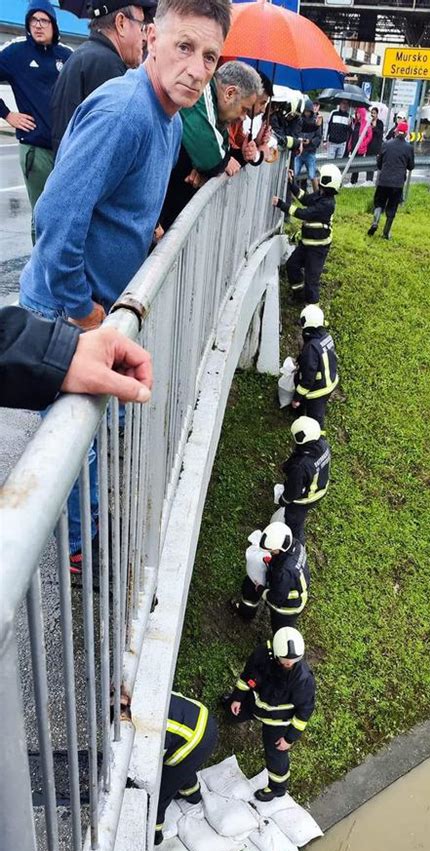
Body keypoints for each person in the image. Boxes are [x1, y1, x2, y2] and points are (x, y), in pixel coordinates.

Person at [19, 0, 231, 575]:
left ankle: (82, 533)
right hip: (68, 309)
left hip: (96, 305)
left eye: (209, 56)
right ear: (151, 38)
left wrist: (148, 230)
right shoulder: (125, 112)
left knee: (91, 435)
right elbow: (56, 219)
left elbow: (114, 204)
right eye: (184, 47)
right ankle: (76, 553)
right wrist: (85, 313)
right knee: (75, 444)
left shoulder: (165, 115)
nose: (196, 67)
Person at [159, 60, 261, 230]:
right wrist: (212, 163)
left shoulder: (216, 108)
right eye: (244, 109)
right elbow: (212, 160)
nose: (244, 117)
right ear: (229, 93)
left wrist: (208, 165)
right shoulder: (203, 92)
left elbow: (220, 149)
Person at [0, 1, 72, 241]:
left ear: (54, 24)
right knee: (42, 214)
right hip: (36, 149)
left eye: (44, 21)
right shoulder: (16, 52)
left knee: (66, 211)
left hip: (66, 149)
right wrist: (7, 114)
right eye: (33, 20)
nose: (38, 26)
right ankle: (41, 273)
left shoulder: (67, 55)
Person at [51, 0, 157, 156]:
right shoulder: (107, 66)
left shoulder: (84, 56)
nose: (143, 38)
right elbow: (117, 149)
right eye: (141, 27)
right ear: (121, 23)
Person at [222, 627, 315, 801]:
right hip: (254, 704)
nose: (289, 664)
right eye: (286, 660)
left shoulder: (302, 679)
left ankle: (277, 788)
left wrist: (289, 738)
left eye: (293, 661)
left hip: (277, 721)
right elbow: (247, 677)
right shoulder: (261, 655)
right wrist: (237, 698)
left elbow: (305, 710)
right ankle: (230, 705)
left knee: (276, 754)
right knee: (231, 711)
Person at [0, 306, 153, 410]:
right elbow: (56, 258)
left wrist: (62, 350)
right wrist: (81, 309)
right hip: (57, 311)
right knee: (64, 431)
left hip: (46, 335)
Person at [272, 163, 341, 305]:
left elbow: (304, 213)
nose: (318, 178)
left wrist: (281, 205)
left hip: (318, 249)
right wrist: (292, 184)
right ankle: (299, 296)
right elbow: (305, 198)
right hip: (306, 244)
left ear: (326, 181)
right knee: (292, 265)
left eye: (321, 177)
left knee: (312, 280)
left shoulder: (327, 204)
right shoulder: (321, 195)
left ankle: (313, 316)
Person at [154, 692, 218, 844]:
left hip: (194, 740)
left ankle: (154, 833)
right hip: (202, 719)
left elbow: (151, 767)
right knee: (183, 768)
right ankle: (192, 794)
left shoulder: (146, 725)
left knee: (161, 790)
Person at [232, 521, 309, 633]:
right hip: (291, 586)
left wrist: (261, 590)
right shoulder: (296, 544)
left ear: (280, 548)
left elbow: (276, 598)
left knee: (281, 631)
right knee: (249, 587)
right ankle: (246, 613)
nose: (270, 553)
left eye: (272, 552)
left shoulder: (283, 571)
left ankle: (279, 645)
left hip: (287, 607)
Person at [275, 417, 331, 544]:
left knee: (294, 523)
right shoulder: (322, 444)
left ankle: (297, 547)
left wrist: (283, 500)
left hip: (305, 499)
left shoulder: (300, 467)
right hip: (320, 488)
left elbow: (293, 490)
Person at [292, 303, 338, 426]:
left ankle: (318, 440)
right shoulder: (326, 336)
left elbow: (307, 379)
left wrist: (297, 398)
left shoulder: (311, 347)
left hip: (319, 391)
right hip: (331, 380)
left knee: (316, 419)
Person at [367, 120, 414, 240]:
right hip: (397, 184)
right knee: (392, 208)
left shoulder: (386, 144)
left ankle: (375, 222)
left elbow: (379, 163)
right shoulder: (409, 148)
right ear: (406, 133)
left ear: (397, 131)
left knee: (379, 203)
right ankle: (386, 233)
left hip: (384, 181)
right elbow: (411, 166)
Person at [228, 73, 273, 167]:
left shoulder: (238, 121)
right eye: (262, 103)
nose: (263, 110)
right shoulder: (228, 118)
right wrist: (259, 153)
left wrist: (257, 141)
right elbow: (227, 155)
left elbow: (241, 146)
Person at [294, 98, 322, 192]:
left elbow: (318, 137)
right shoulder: (299, 120)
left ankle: (317, 194)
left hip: (310, 152)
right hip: (299, 152)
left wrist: (310, 142)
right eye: (305, 112)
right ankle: (293, 193)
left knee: (312, 175)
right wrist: (299, 141)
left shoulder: (315, 120)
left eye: (308, 112)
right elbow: (296, 133)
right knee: (294, 173)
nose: (307, 114)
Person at [347, 105, 372, 185]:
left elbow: (369, 136)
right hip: (354, 146)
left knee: (356, 165)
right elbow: (352, 134)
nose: (357, 114)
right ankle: (352, 181)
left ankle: (353, 181)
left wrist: (363, 144)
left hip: (360, 148)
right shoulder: (355, 123)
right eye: (356, 113)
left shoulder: (366, 123)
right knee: (352, 164)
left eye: (358, 113)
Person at [366, 105, 384, 182]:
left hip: (376, 147)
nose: (372, 115)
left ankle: (373, 180)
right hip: (369, 146)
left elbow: (380, 134)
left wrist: (375, 127)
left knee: (374, 164)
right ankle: (368, 180)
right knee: (368, 164)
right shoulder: (369, 122)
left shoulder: (380, 123)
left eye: (374, 113)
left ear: (377, 114)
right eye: (371, 113)